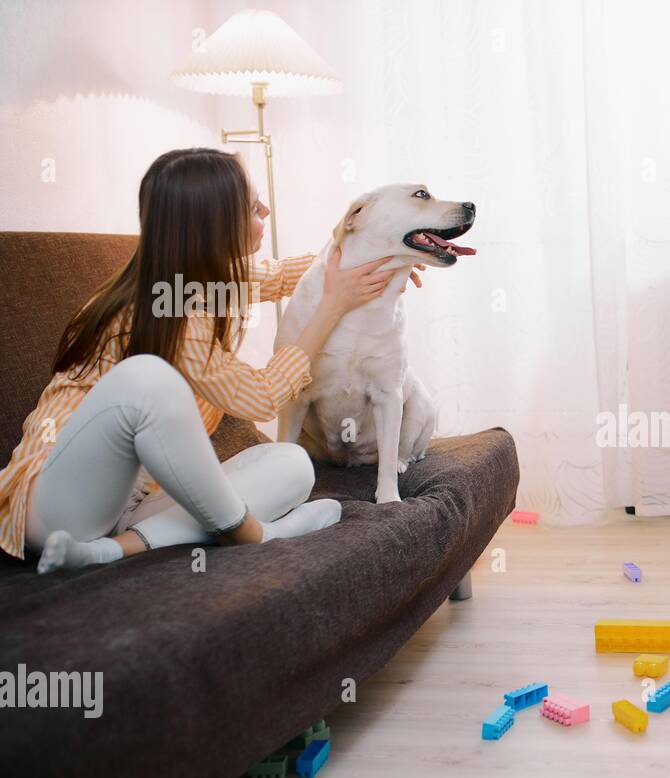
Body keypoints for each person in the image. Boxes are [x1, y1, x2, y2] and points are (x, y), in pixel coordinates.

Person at [0, 147, 415, 573]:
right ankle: (260, 533)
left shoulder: (204, 280)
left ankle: (116, 549)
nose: (266, 210)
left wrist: (380, 263)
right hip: (58, 509)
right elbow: (260, 398)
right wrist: (332, 305)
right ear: (216, 227)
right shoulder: (173, 309)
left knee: (290, 462)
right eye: (254, 207)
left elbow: (285, 274)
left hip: (134, 506)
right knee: (146, 377)